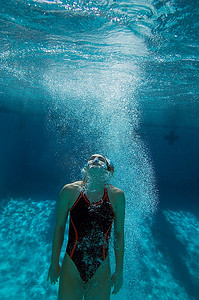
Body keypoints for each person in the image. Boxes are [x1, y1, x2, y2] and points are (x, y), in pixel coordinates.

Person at [47, 154, 125, 300]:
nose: (95, 160)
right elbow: (59, 227)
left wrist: (119, 270)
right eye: (91, 158)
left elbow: (119, 234)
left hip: (100, 269)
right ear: (86, 168)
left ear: (108, 170)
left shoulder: (117, 196)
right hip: (71, 265)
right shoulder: (69, 191)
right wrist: (54, 262)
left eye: (100, 159)